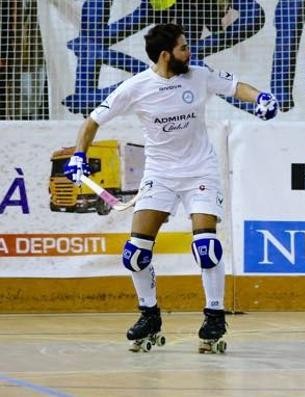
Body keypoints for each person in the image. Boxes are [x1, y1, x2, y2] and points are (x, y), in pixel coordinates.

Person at [62, 23, 278, 353]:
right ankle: (149, 315)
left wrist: (261, 97)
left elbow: (236, 87)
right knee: (135, 254)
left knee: (206, 246)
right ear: (166, 56)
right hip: (160, 174)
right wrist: (79, 155)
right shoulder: (135, 87)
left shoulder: (199, 75)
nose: (189, 52)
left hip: (199, 171)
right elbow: (92, 122)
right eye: (183, 48)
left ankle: (214, 315)